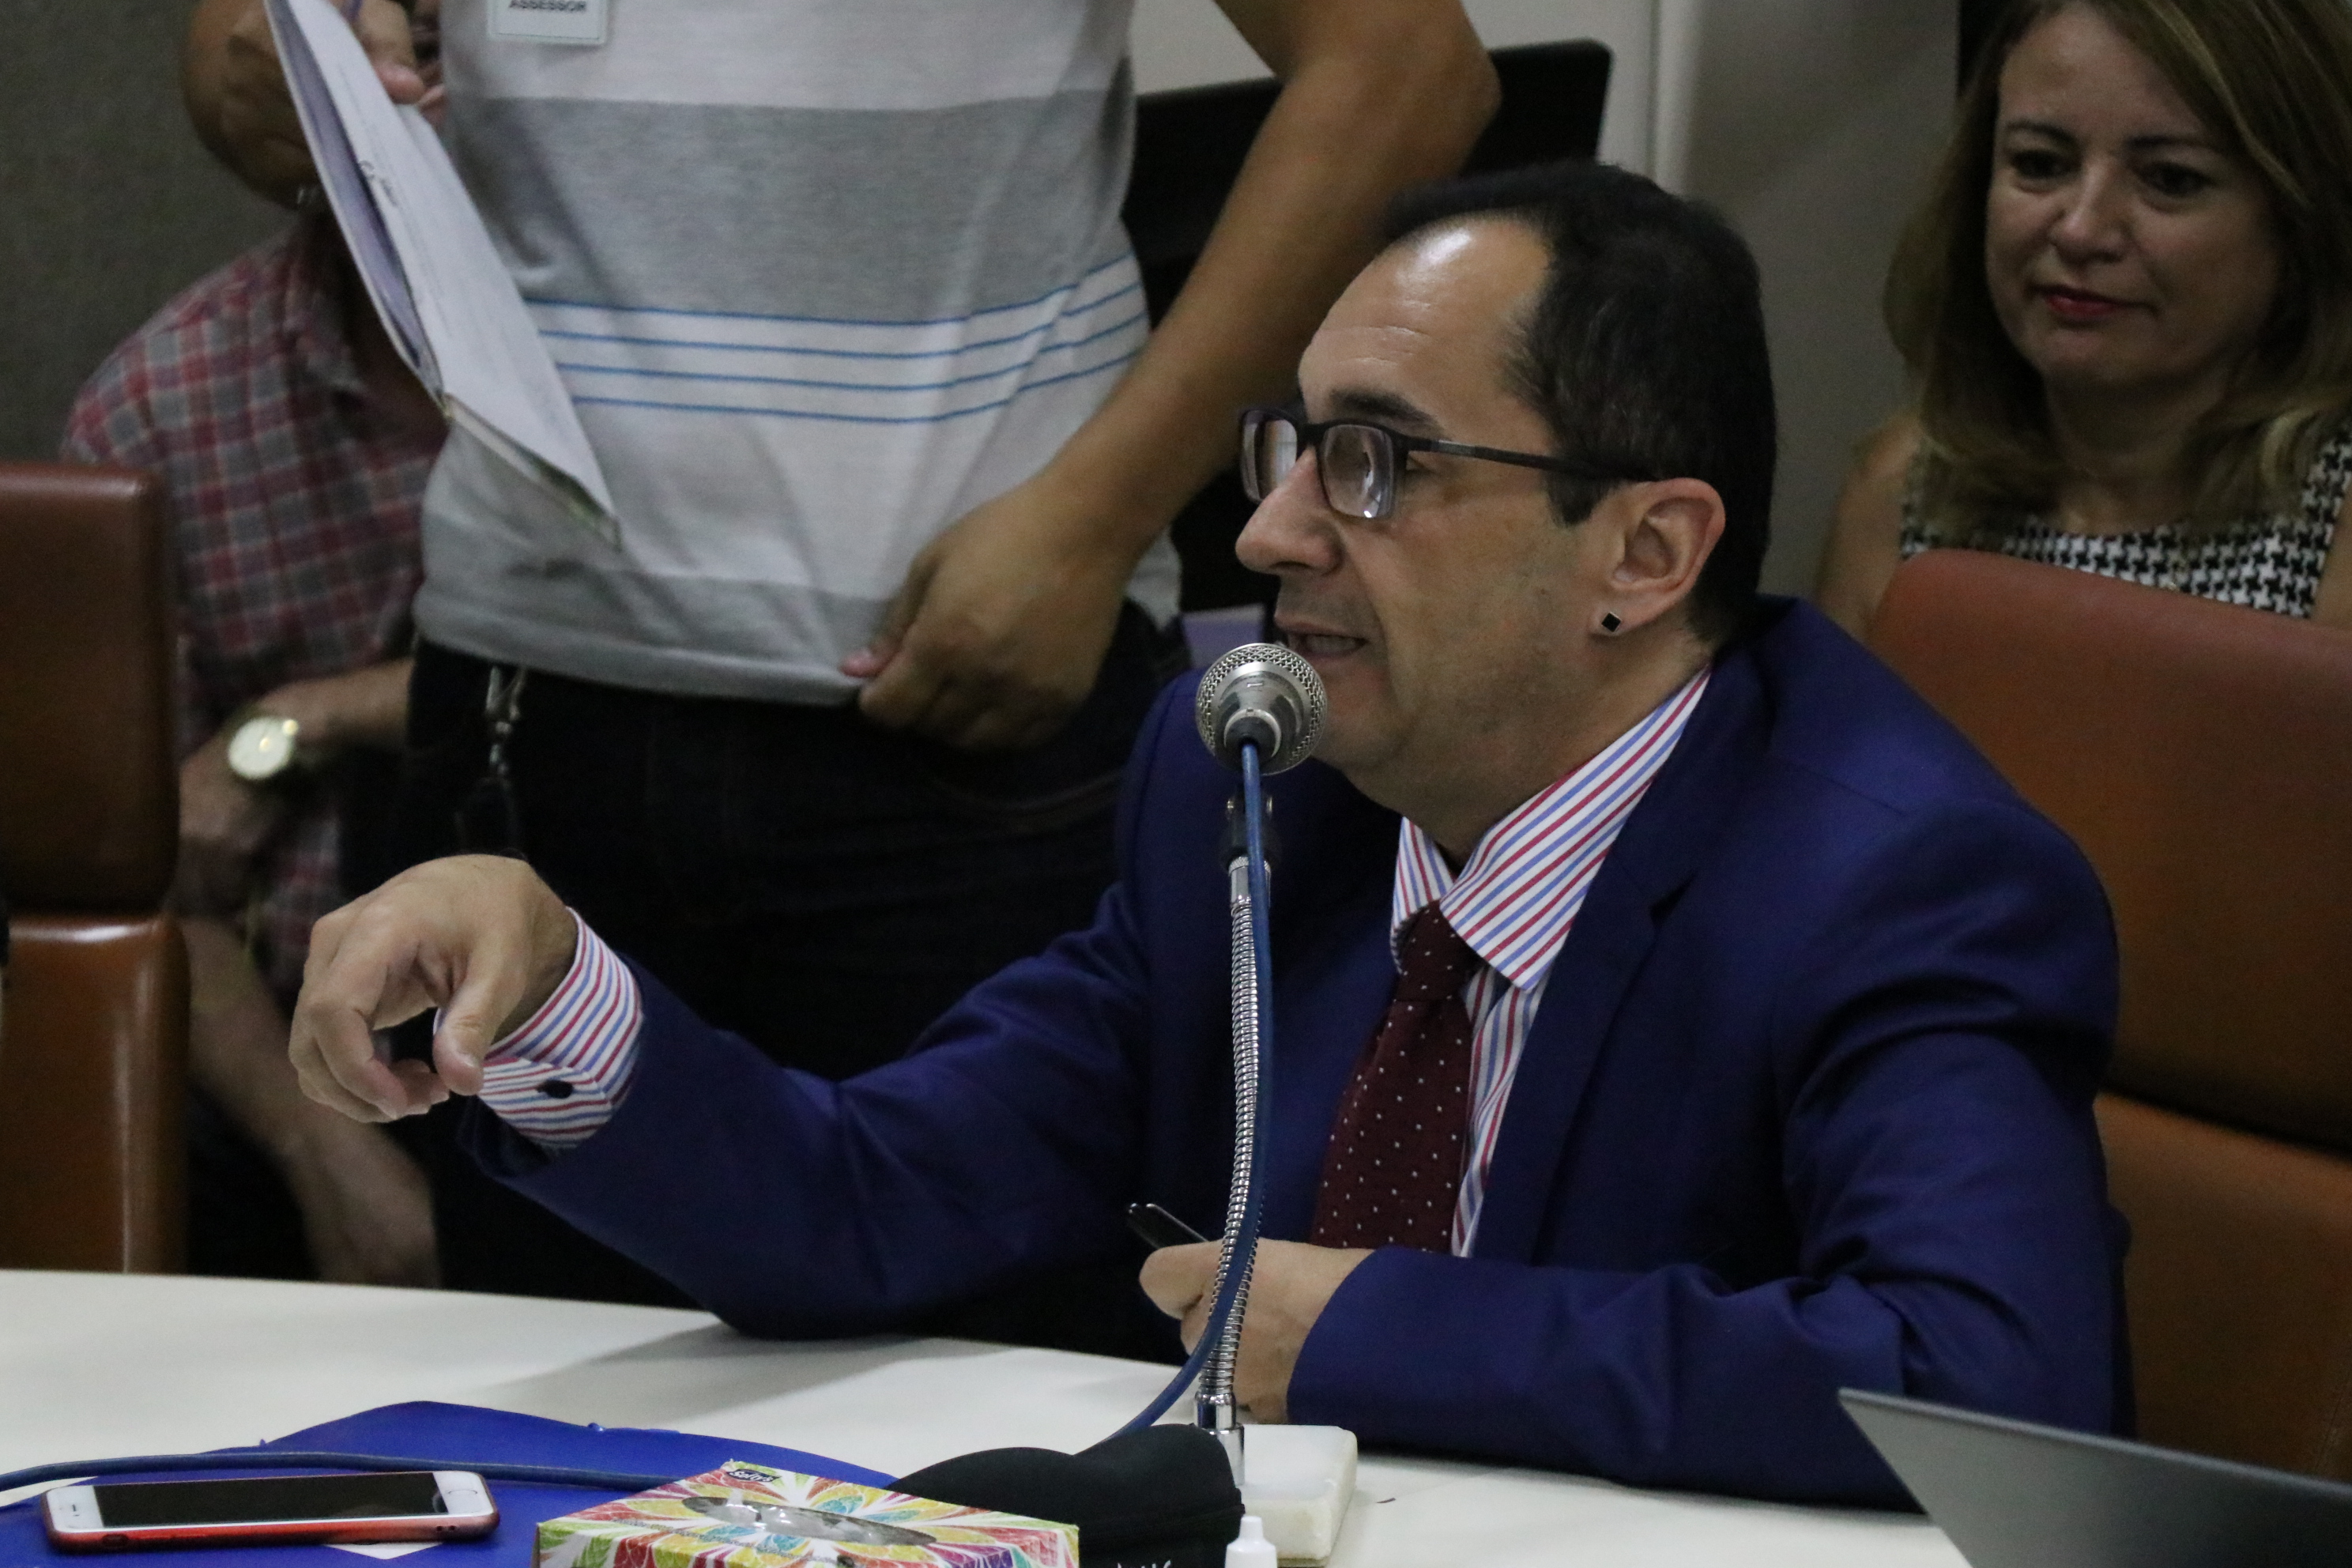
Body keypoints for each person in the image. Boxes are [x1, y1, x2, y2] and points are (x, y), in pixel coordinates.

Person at [286, 162, 2124, 1504]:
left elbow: (1993, 1382)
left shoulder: (1893, 878)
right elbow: (866, 1205)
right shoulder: (1249, 792)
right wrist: (553, 988)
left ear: (1643, 552)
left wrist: (1369, 1331)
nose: (1269, 534)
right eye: (1291, 447)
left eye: (1377, 464)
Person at [184, 0, 1499, 1310]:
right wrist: (276, 59)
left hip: (966, 712)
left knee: (983, 1391)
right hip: (525, 710)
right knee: (536, 1386)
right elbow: (244, 57)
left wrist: (1094, 520)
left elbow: (1401, 70)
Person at [62, 210, 447, 1286]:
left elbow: (631, 693)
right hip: (282, 1041)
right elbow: (142, 874)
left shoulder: (642, 361)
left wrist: (311, 717)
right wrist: (325, 1152)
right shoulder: (165, 404)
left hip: (601, 997)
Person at [1815, 0, 2352, 637]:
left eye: (2170, 179)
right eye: (2041, 164)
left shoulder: (2337, 518)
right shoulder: (1902, 488)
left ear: (2303, 220)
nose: (2079, 230)